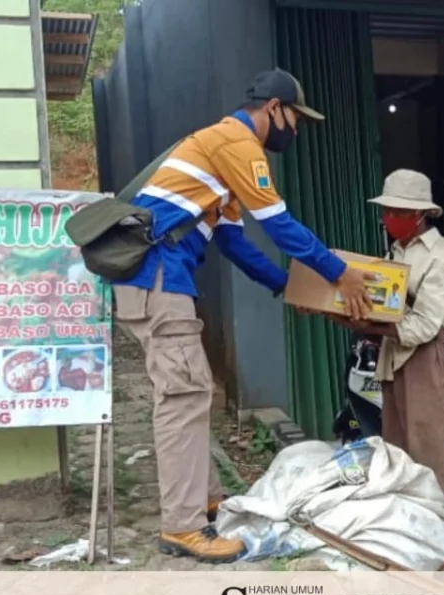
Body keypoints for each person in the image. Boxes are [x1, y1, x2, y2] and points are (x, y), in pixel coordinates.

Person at [112, 68, 375, 563]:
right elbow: (280, 227)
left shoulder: (219, 157)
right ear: (274, 108)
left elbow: (235, 242)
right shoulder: (236, 143)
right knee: (181, 398)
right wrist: (341, 275)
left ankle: (205, 499)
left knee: (193, 393)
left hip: (160, 281)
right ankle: (182, 526)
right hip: (159, 280)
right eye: (295, 119)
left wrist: (287, 287)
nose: (295, 131)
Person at [325, 169, 444, 561]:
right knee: (399, 456)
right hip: (395, 358)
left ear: (418, 215)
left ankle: (441, 557)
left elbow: (424, 325)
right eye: (386, 211)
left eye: (394, 212)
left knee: (430, 463)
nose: (387, 218)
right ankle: (410, 544)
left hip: (426, 359)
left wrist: (373, 324)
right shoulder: (397, 252)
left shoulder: (442, 256)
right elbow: (389, 306)